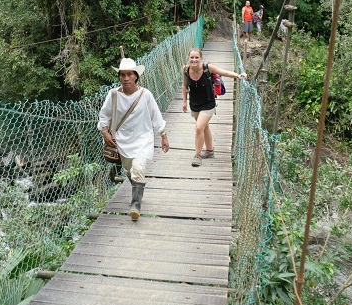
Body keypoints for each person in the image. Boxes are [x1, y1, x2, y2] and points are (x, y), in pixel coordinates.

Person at [98, 58, 169, 221]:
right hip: (122, 141)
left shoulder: (146, 95)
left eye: (129, 74)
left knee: (138, 168)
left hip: (143, 139)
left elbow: (156, 116)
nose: (126, 78)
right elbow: (104, 114)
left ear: (136, 76)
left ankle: (135, 204)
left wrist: (163, 135)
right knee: (130, 171)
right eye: (122, 75)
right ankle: (139, 187)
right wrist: (104, 131)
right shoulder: (113, 95)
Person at [182, 48, 246, 167]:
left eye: (196, 57)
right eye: (192, 57)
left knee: (198, 128)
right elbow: (184, 85)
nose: (194, 60)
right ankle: (210, 151)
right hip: (194, 104)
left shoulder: (208, 68)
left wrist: (238, 75)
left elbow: (224, 72)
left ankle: (197, 155)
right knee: (204, 127)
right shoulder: (186, 70)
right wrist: (184, 101)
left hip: (208, 103)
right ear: (189, 58)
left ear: (201, 58)